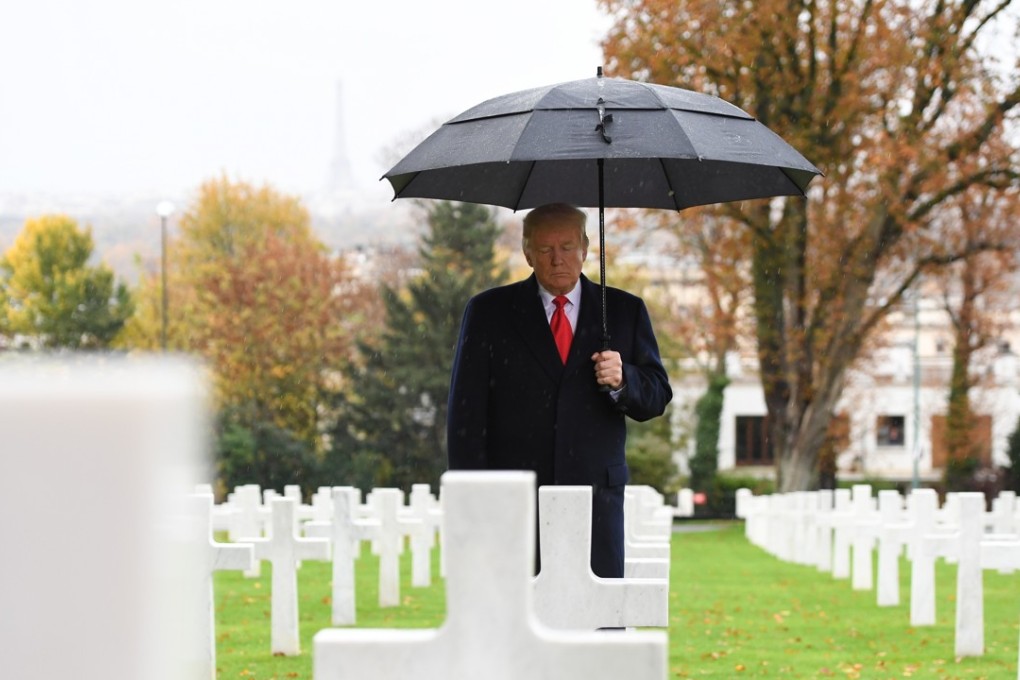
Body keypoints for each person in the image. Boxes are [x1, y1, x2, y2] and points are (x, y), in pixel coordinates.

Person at [446, 202, 673, 578]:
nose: (557, 259)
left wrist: (623, 379)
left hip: (596, 498)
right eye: (546, 249)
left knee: (597, 624)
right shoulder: (489, 313)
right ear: (527, 252)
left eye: (567, 247)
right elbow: (465, 418)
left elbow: (657, 396)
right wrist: (473, 499)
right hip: (513, 501)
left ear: (585, 249)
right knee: (518, 623)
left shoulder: (622, 311)